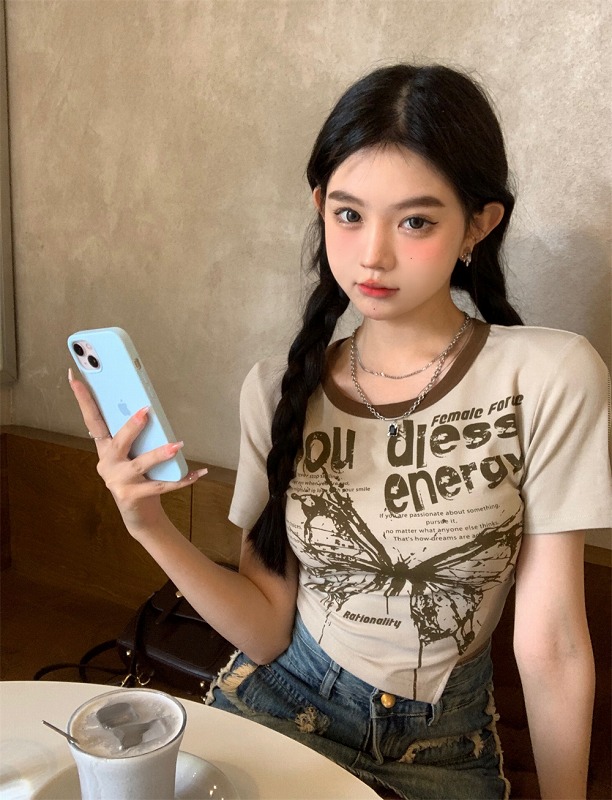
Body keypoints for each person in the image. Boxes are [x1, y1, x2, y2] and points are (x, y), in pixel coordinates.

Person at [70, 64, 611, 800]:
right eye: (349, 214)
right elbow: (266, 630)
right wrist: (147, 525)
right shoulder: (277, 389)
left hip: (440, 749)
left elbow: (552, 644)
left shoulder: (551, 375)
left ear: (478, 225)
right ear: (320, 206)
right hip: (277, 705)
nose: (372, 255)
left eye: (415, 221)